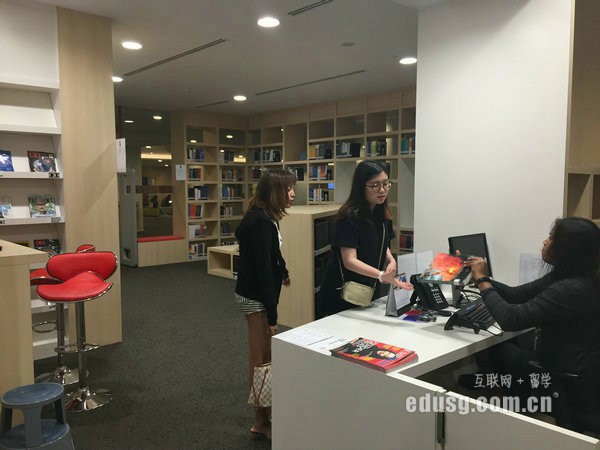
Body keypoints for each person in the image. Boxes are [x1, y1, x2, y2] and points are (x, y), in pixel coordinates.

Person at [464, 217, 600, 417]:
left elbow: (510, 319)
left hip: (568, 378)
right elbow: (515, 295)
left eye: (551, 238)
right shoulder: (574, 276)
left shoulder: (571, 288)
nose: (545, 242)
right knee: (509, 346)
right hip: (575, 365)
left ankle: (515, 412)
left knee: (499, 351)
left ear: (567, 248)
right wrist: (479, 277)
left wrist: (483, 282)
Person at [234, 169, 296, 441]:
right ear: (274, 193)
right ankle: (260, 421)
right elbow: (262, 273)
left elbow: (273, 254)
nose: (292, 194)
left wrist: (283, 270)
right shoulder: (259, 222)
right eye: (288, 189)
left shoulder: (267, 217)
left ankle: (267, 414)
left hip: (261, 295)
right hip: (256, 298)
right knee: (260, 361)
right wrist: (272, 316)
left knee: (267, 358)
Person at [317, 160, 413, 317]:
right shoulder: (348, 216)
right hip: (343, 293)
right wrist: (381, 275)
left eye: (386, 184)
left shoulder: (383, 214)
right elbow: (350, 260)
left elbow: (382, 243)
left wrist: (391, 261)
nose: (382, 190)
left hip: (369, 289)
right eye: (375, 185)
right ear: (361, 186)